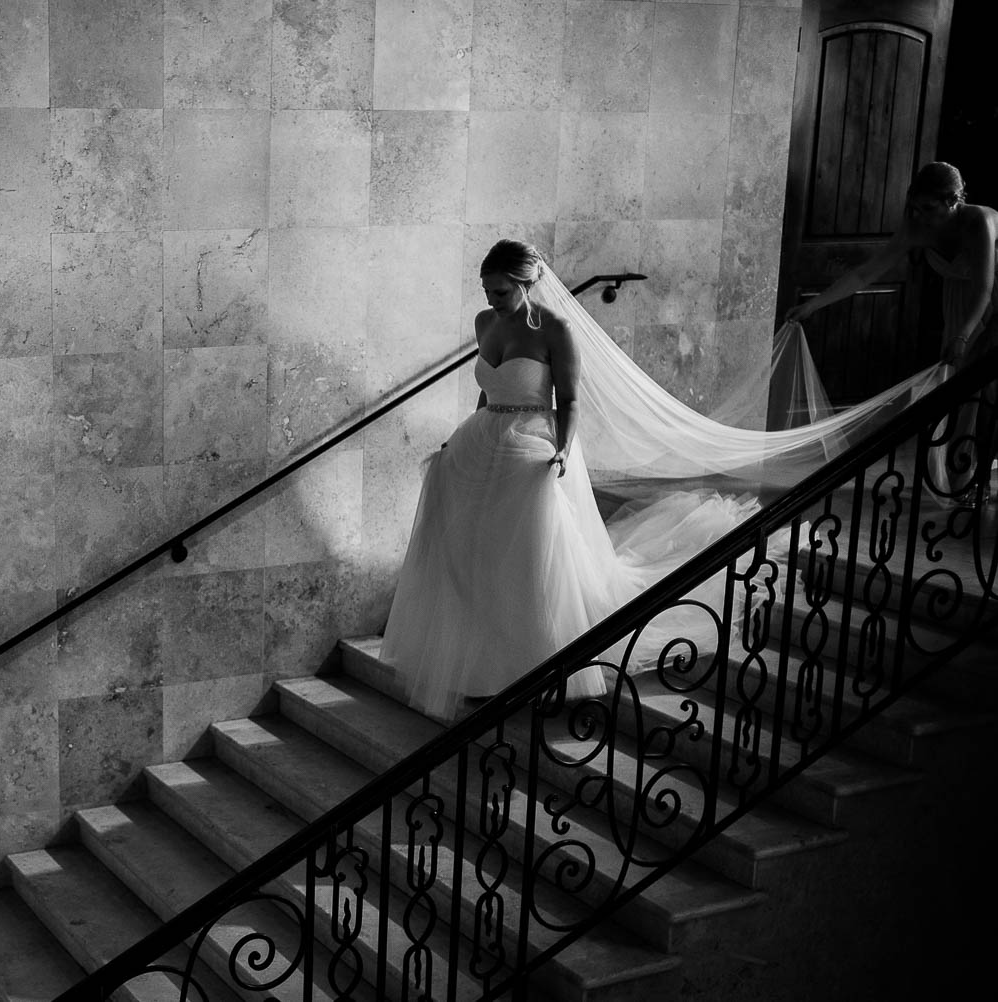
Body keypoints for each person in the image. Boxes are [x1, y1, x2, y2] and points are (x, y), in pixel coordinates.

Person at [379, 241, 739, 720]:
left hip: (535, 443)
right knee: (471, 551)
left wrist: (564, 450)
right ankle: (481, 665)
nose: (491, 300)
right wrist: (461, 443)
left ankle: (534, 664)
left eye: (501, 291)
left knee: (527, 561)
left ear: (527, 284)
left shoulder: (556, 329)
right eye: (486, 290)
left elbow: (568, 400)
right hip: (483, 441)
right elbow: (488, 395)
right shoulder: (485, 324)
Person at [786, 162, 997, 502]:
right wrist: (814, 306)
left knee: (989, 387)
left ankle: (980, 480)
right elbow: (865, 274)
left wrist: (963, 335)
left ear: (954, 201)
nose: (920, 215)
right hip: (961, 301)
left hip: (989, 298)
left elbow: (984, 288)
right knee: (961, 388)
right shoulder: (917, 225)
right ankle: (962, 476)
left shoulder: (980, 220)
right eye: (915, 207)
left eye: (928, 209)